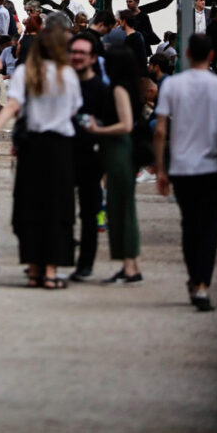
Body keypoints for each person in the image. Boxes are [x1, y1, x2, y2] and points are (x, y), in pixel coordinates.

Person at [0, 27, 82, 289]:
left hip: (32, 147)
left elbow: (12, 106)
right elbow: (74, 110)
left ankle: (34, 267)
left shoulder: (25, 72)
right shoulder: (67, 74)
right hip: (59, 146)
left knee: (30, 206)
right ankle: (50, 270)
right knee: (57, 208)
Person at [154, 33, 217, 312]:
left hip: (183, 166)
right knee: (210, 227)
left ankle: (194, 279)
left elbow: (160, 130)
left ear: (185, 54)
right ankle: (202, 284)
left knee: (189, 225)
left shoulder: (172, 86)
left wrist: (160, 168)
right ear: (211, 56)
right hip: (214, 166)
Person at [84, 47, 143, 283]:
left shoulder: (118, 89)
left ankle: (129, 267)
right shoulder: (130, 87)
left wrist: (98, 129)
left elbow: (126, 124)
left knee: (121, 208)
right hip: (121, 149)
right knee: (124, 207)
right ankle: (132, 265)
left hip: (118, 149)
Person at [68, 30, 112, 281]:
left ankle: (85, 264)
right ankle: (57, 257)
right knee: (60, 208)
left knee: (89, 211)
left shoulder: (101, 89)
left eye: (82, 53)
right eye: (74, 52)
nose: (77, 57)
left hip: (91, 157)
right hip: (63, 153)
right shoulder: (63, 85)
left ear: (93, 57)